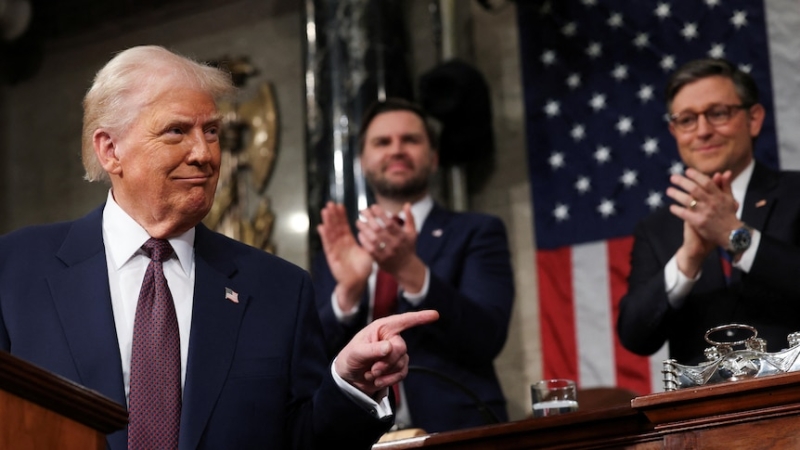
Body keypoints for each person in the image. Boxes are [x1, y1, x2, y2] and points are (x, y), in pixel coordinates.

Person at [0, 46, 438, 450]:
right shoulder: (16, 270)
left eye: (211, 132)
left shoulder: (278, 290)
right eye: (176, 131)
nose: (204, 154)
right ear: (110, 149)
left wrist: (351, 386)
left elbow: (304, 440)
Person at [312, 97, 514, 433]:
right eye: (382, 142)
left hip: (457, 431)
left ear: (433, 158)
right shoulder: (342, 246)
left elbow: (487, 338)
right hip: (357, 434)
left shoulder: (477, 231)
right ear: (363, 162)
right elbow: (312, 357)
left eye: (410, 140)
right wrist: (347, 295)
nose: (397, 149)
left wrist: (409, 270)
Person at [617, 58, 800, 366]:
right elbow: (635, 336)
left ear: (753, 119)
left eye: (718, 114)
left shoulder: (795, 193)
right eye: (687, 120)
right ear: (674, 131)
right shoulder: (657, 227)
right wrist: (687, 259)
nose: (702, 131)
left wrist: (735, 237)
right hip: (703, 409)